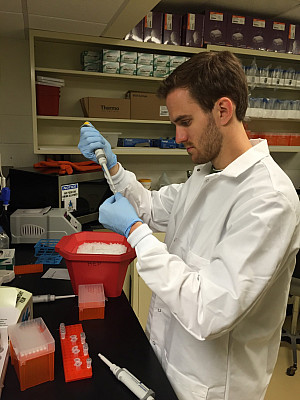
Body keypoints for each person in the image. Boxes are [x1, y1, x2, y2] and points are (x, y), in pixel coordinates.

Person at [78, 51, 300, 400]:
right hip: (167, 364)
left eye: (185, 122)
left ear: (223, 111)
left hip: (212, 387)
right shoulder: (206, 176)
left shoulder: (267, 200)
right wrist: (115, 169)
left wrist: (136, 234)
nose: (178, 136)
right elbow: (151, 207)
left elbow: (209, 310)